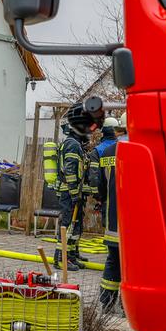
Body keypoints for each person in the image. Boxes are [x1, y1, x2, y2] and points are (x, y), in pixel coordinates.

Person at [53, 98, 102, 273]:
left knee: (76, 226)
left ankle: (71, 255)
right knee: (67, 224)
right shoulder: (72, 146)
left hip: (75, 193)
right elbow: (70, 172)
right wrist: (75, 194)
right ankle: (60, 259)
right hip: (69, 193)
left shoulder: (77, 145)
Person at [93, 117, 123, 310]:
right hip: (135, 226)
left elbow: (100, 188)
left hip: (113, 223)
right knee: (134, 268)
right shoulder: (141, 149)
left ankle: (106, 303)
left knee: (113, 261)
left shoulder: (107, 152)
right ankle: (128, 305)